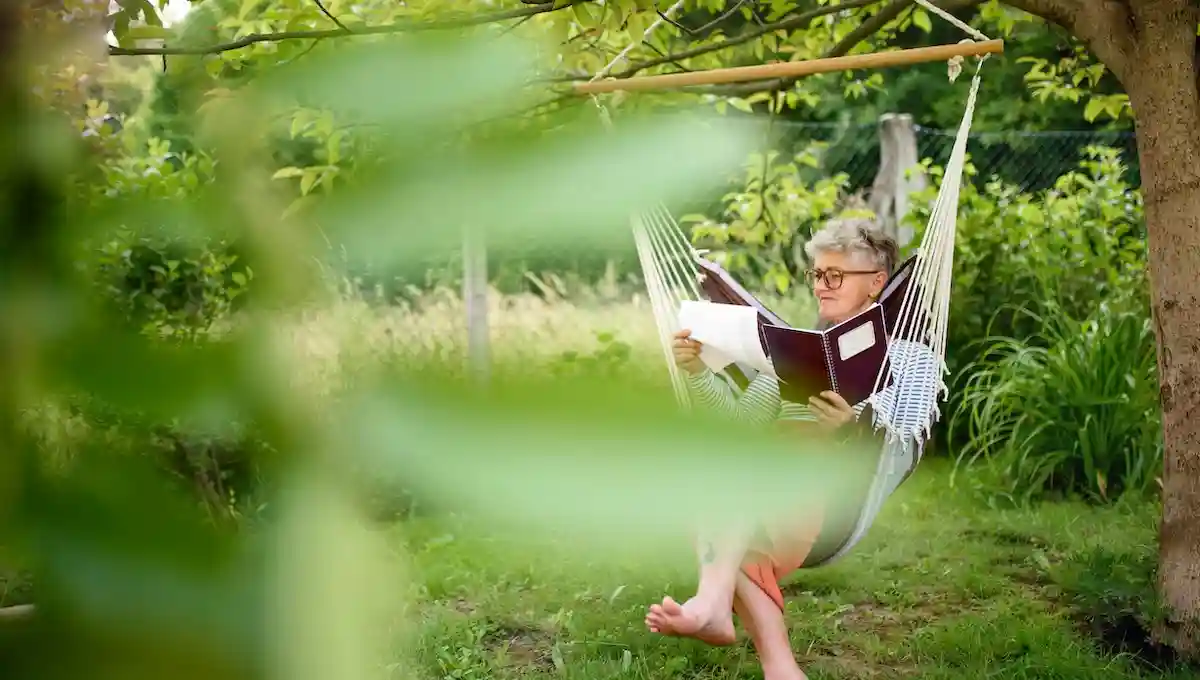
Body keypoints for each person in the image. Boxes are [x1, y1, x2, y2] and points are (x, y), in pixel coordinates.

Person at [645, 217, 939, 680]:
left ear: (877, 282)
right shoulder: (792, 355)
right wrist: (699, 372)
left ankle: (712, 602)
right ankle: (776, 663)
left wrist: (851, 428)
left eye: (835, 275)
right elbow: (742, 423)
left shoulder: (904, 357)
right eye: (817, 274)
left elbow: (902, 443)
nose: (822, 286)